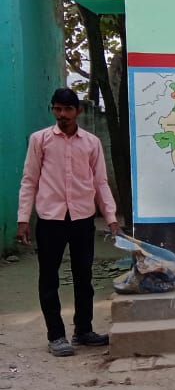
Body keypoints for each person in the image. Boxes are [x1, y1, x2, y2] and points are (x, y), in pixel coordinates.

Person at [16, 88, 120, 357]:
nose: (62, 115)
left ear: (78, 111)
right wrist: (23, 220)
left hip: (82, 219)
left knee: (83, 277)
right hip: (51, 220)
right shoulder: (40, 141)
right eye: (57, 109)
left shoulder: (91, 143)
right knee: (49, 278)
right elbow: (30, 181)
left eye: (67, 109)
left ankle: (83, 330)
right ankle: (56, 336)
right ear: (53, 110)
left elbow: (100, 183)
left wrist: (110, 217)